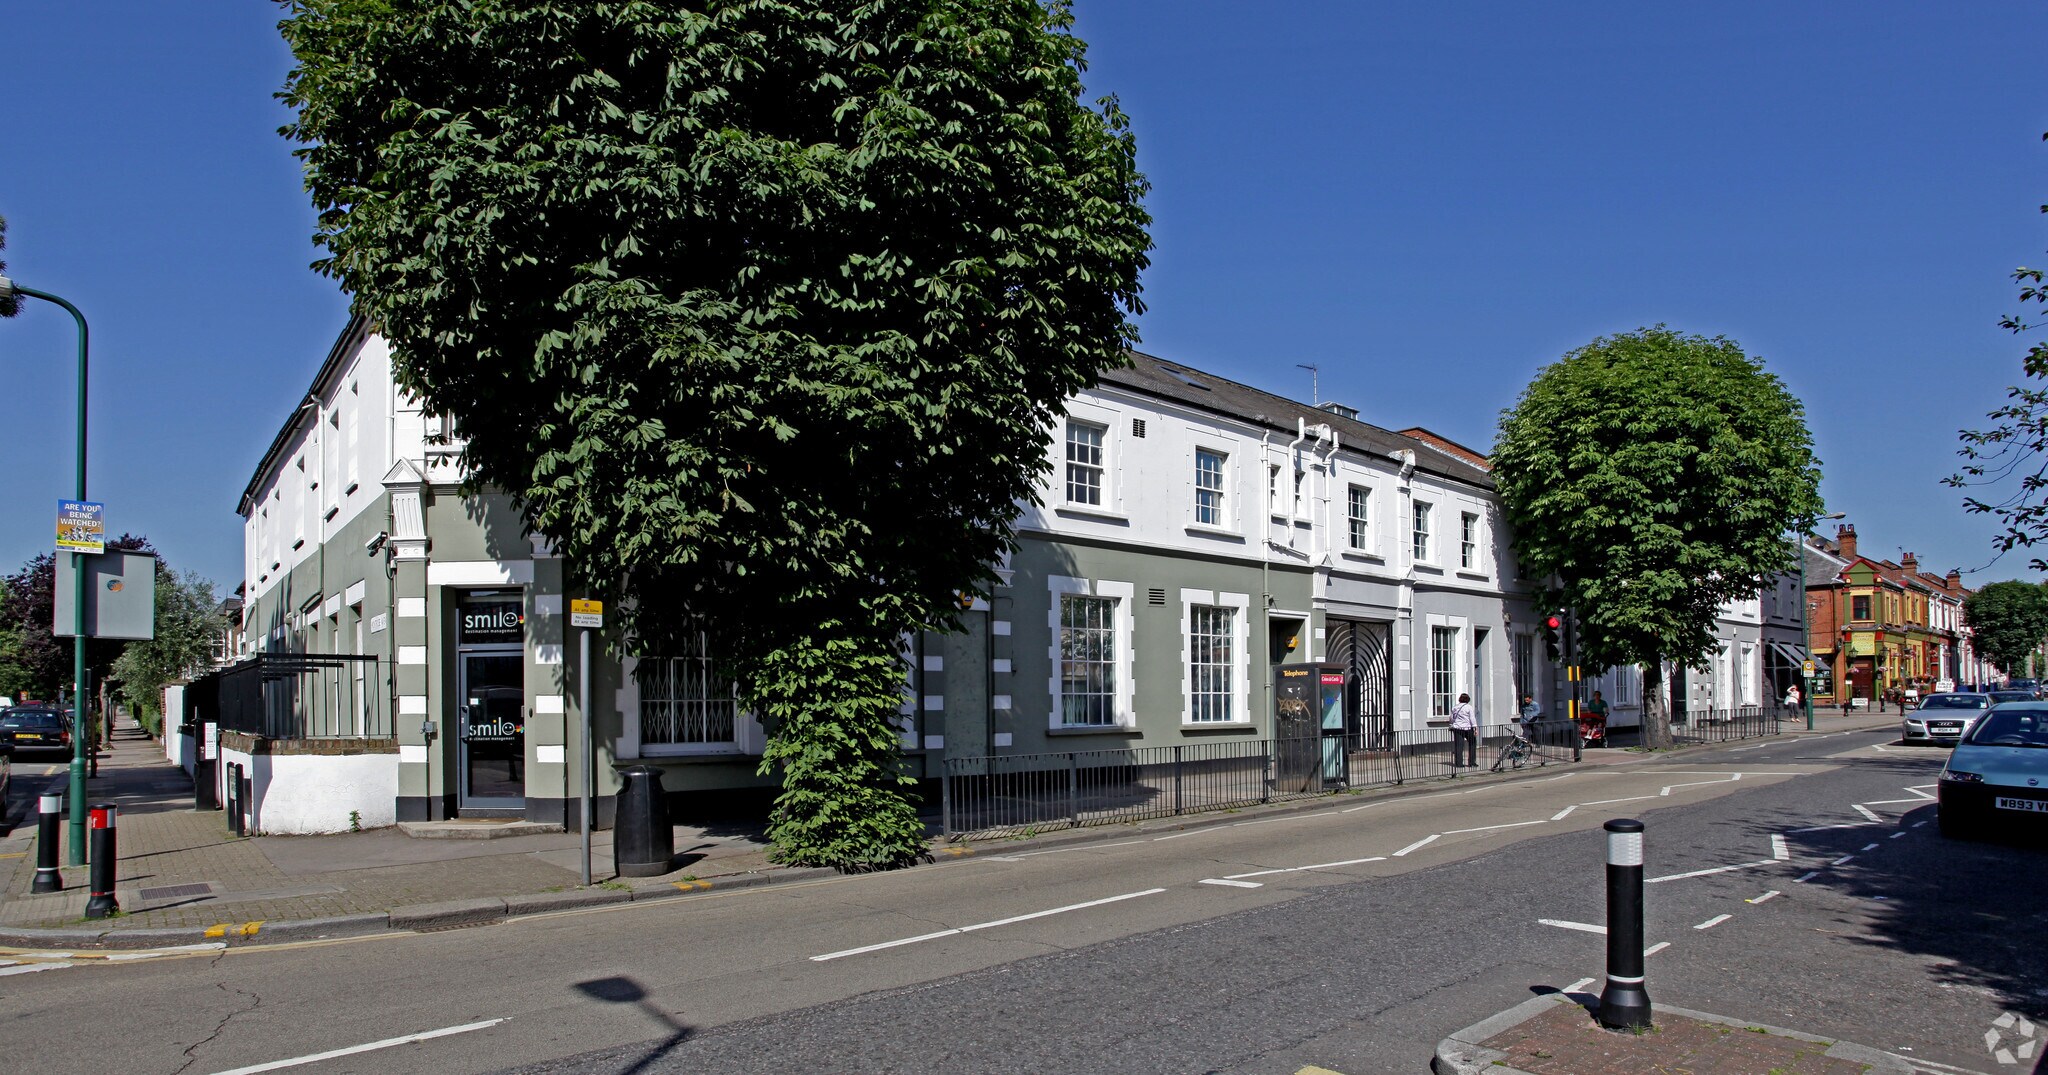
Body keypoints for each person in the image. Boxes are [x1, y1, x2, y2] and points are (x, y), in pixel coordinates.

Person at [1447, 692, 1478, 768]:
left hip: (1457, 728)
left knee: (1459, 746)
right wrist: (1475, 728)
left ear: (1460, 699)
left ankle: (1459, 763)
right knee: (1472, 743)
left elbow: (1451, 718)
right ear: (1468, 700)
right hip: (1467, 728)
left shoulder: (1455, 707)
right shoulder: (1469, 707)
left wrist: (1452, 723)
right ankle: (1471, 762)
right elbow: (1472, 718)